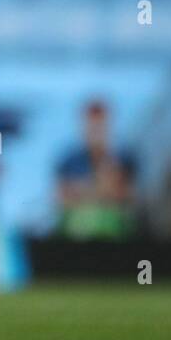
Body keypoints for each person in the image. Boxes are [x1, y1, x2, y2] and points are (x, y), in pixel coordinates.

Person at [55, 100, 136, 239]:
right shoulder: (68, 161)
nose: (96, 131)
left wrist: (83, 191)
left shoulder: (124, 159)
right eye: (92, 125)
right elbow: (62, 198)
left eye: (100, 125)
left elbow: (127, 196)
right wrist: (102, 189)